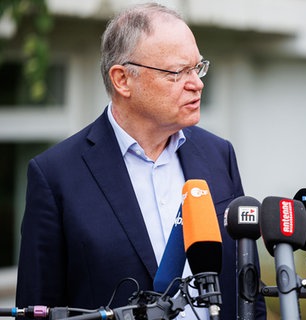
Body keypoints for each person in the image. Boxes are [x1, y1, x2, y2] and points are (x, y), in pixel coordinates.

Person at [15, 3, 265, 319]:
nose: (197, 83)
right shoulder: (55, 175)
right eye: (178, 72)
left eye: (197, 68)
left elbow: (247, 284)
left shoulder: (219, 154)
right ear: (122, 80)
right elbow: (38, 308)